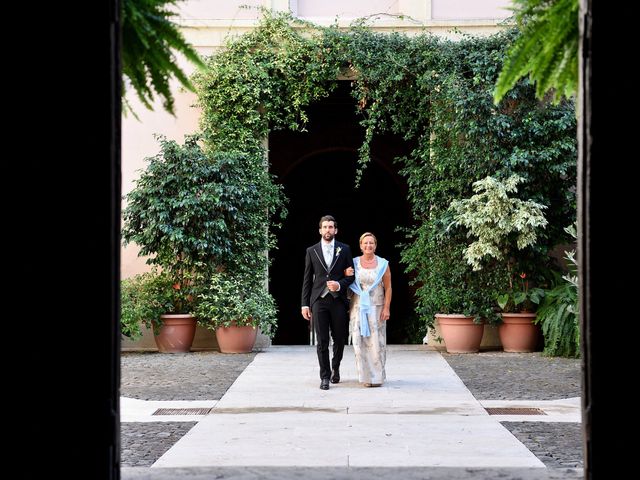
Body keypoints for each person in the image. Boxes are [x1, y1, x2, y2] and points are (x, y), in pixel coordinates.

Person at [301, 215, 354, 390]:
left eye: (331, 227)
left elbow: (351, 277)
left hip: (338, 301)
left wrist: (339, 284)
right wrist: (305, 304)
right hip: (319, 301)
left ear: (335, 230)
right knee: (322, 340)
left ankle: (335, 368)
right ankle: (324, 376)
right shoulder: (312, 250)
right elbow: (307, 279)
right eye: (325, 227)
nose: (328, 230)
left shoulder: (344, 249)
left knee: (339, 338)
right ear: (320, 230)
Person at [347, 232, 392, 387]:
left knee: (377, 343)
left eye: (371, 243)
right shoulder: (353, 263)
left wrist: (387, 307)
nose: (368, 246)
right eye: (365, 243)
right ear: (360, 246)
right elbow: (347, 282)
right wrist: (345, 274)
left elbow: (388, 287)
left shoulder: (383, 264)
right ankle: (365, 377)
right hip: (358, 307)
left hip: (376, 308)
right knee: (359, 342)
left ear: (375, 245)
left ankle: (377, 378)